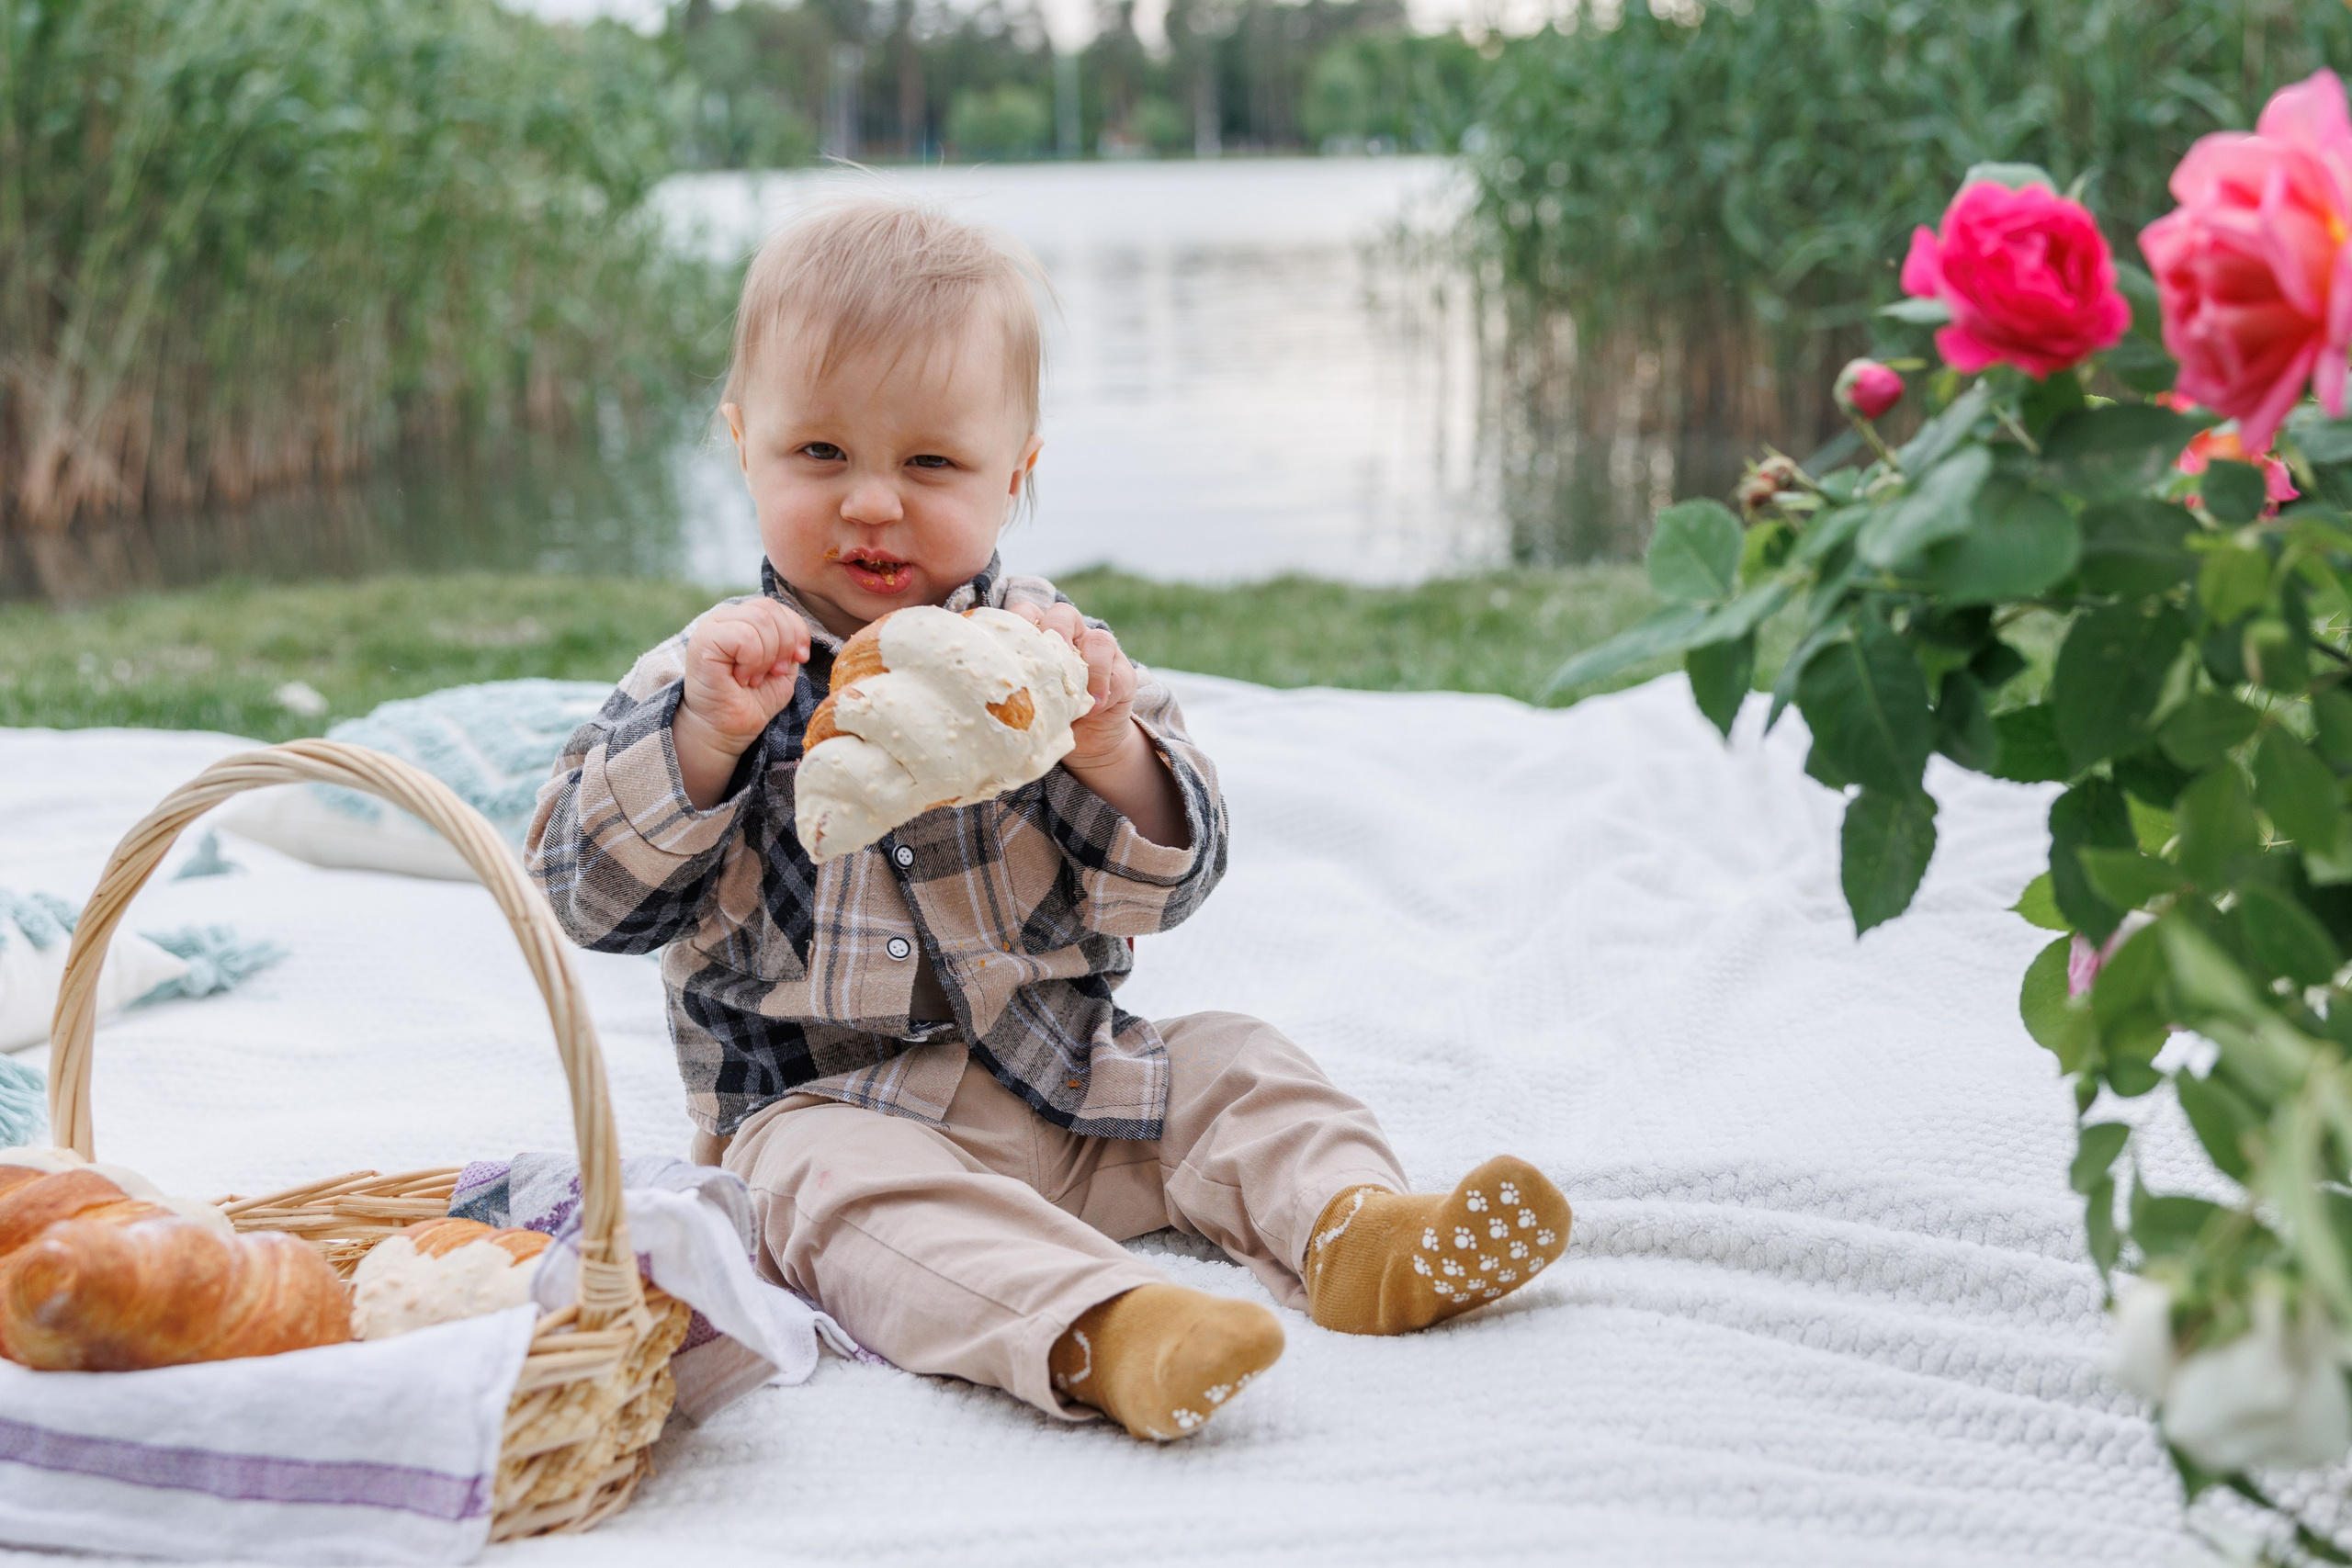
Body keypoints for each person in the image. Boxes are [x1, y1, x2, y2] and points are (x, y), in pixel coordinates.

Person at [526, 197, 1572, 1441]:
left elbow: (1174, 881)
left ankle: (1361, 1233)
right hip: (835, 1117)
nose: (872, 503)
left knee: (1237, 1062)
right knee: (833, 1202)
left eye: (930, 464)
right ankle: (1104, 1327)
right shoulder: (707, 682)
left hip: (1077, 1084)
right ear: (744, 444)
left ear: (1015, 474)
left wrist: (1113, 749)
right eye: (821, 454)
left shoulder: (1055, 660)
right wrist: (704, 747)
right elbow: (587, 900)